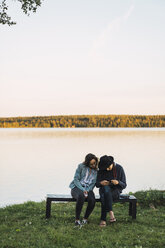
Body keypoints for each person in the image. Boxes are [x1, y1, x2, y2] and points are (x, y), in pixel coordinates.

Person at [96, 155, 127, 227]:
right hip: (104, 190)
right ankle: (111, 214)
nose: (106, 169)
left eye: (108, 167)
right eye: (105, 168)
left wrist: (118, 182)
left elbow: (124, 185)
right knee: (105, 189)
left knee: (104, 196)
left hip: (115, 191)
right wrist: (101, 183)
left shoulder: (119, 168)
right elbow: (97, 184)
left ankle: (103, 219)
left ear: (112, 163)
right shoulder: (101, 169)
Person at [69, 153, 98, 227]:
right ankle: (77, 220)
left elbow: (93, 183)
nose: (93, 165)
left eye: (94, 163)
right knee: (81, 196)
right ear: (87, 163)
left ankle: (85, 219)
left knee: (92, 200)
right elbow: (76, 179)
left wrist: (87, 190)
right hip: (77, 187)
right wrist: (82, 189)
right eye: (91, 164)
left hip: (88, 188)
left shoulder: (96, 170)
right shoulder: (81, 166)